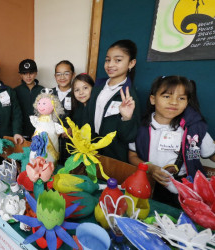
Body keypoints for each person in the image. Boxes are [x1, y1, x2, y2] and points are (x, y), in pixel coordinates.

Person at [128, 76, 215, 207]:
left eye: (181, 98)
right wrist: (150, 168)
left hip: (185, 184)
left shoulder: (195, 128)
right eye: (167, 96)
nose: (174, 102)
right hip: (150, 181)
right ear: (153, 99)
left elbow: (212, 154)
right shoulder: (141, 128)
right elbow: (132, 156)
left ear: (187, 102)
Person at [87, 39, 140, 162]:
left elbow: (129, 136)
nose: (110, 65)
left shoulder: (129, 96)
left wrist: (126, 119)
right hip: (91, 151)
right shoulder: (97, 88)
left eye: (118, 60)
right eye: (107, 60)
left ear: (131, 63)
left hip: (113, 156)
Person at [52, 60, 75, 165]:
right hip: (52, 139)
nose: (62, 77)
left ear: (73, 75)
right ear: (55, 76)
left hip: (70, 141)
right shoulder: (49, 93)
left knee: (68, 168)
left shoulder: (77, 93)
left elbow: (83, 117)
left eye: (66, 73)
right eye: (59, 74)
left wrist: (73, 129)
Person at [14, 59, 44, 140]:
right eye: (24, 73)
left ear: (36, 73)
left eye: (31, 73)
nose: (28, 76)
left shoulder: (43, 91)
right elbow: (14, 114)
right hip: (21, 132)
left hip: (38, 131)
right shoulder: (15, 91)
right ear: (20, 75)